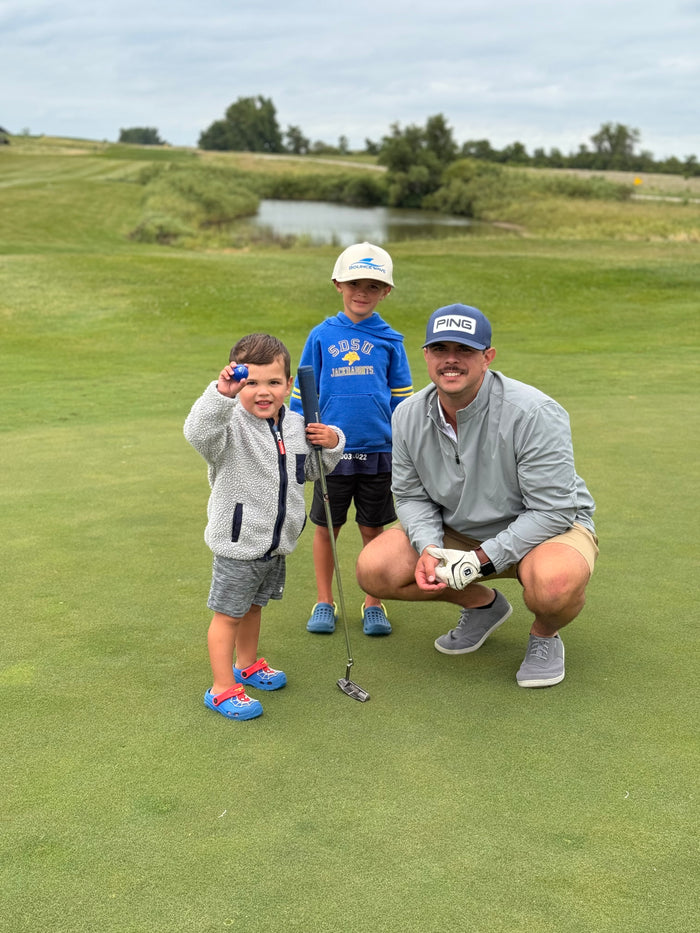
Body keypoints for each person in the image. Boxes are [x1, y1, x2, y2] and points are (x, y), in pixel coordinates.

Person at [356, 303, 598, 687]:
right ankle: (482, 606)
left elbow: (553, 510)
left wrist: (480, 559)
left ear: (487, 357)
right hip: (459, 530)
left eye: (464, 351)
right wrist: (430, 549)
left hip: (546, 532)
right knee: (374, 569)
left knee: (553, 585)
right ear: (426, 356)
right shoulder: (407, 415)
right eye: (440, 350)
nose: (450, 361)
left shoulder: (534, 412)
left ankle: (544, 635)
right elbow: (411, 496)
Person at [184, 333, 345, 720]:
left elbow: (312, 471)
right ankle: (222, 688)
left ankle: (248, 664)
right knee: (229, 614)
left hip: (275, 544)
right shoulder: (227, 425)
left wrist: (333, 442)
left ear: (289, 385)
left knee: (254, 607)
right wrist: (221, 394)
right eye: (250, 382)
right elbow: (197, 432)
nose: (262, 392)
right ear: (237, 383)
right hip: (239, 544)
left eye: (273, 382)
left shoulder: (295, 424)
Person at [289, 242, 413, 637]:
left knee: (373, 531)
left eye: (373, 286)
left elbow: (402, 402)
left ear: (386, 292)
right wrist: (296, 438)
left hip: (379, 451)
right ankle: (325, 600)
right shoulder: (321, 335)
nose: (363, 292)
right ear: (337, 284)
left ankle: (373, 602)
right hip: (330, 453)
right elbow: (301, 396)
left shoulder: (392, 340)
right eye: (354, 283)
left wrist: (407, 448)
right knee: (327, 528)